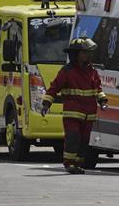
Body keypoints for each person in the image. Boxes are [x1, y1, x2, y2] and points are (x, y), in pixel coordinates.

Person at [40, 37, 107, 174]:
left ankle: (78, 164)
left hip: (89, 114)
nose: (87, 55)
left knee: (84, 140)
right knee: (73, 137)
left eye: (88, 52)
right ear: (75, 54)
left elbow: (98, 89)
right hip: (73, 113)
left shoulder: (92, 71)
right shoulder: (67, 71)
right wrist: (46, 104)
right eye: (84, 52)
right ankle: (69, 163)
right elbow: (54, 87)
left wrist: (102, 101)